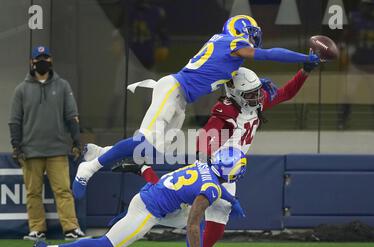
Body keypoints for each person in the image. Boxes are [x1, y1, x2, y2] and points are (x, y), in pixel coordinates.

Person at [88, 61, 318, 247]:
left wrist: (305, 71)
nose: (258, 97)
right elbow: (204, 137)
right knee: (185, 218)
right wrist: (209, 165)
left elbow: (286, 93)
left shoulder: (252, 104)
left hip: (228, 173)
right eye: (250, 93)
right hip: (216, 170)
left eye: (256, 92)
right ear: (235, 94)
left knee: (205, 224)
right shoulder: (227, 111)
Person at [72, 15, 322, 199]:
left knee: (149, 150)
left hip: (181, 100)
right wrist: (303, 58)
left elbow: (263, 86)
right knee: (143, 143)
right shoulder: (231, 43)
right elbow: (267, 55)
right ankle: (89, 167)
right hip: (173, 89)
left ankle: (100, 152)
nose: (254, 43)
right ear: (245, 31)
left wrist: (292, 75)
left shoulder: (230, 55)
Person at [25, 147, 247, 247]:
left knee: (187, 221)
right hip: (148, 210)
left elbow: (212, 186)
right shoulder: (211, 189)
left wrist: (231, 199)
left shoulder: (203, 166)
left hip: (156, 198)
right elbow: (193, 225)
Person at [8, 46, 86, 240]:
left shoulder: (62, 86)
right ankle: (37, 229)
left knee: (63, 190)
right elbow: (15, 121)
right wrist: (16, 146)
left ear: (51, 60)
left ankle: (71, 228)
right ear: (31, 62)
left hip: (57, 149)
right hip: (30, 150)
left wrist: (76, 141)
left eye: (45, 57)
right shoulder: (21, 90)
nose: (42, 61)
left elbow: (71, 117)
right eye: (38, 58)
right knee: (33, 192)